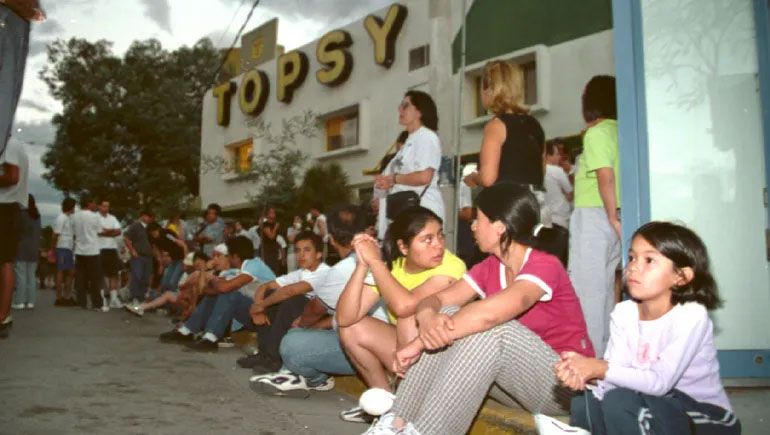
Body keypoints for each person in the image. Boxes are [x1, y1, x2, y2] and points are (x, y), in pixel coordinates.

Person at [366, 183, 593, 435]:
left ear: (499, 227)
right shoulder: (489, 266)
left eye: (478, 219)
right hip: (513, 385)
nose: (472, 226)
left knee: (494, 330)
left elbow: (489, 315)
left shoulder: (544, 265)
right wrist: (428, 317)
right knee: (450, 315)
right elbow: (435, 301)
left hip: (563, 386)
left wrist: (419, 343)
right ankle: (396, 423)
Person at [556, 222, 740, 434]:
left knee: (621, 402)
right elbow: (615, 377)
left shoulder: (691, 315)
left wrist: (599, 368)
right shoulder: (624, 313)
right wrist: (583, 376)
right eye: (632, 257)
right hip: (655, 405)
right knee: (585, 401)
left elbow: (660, 382)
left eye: (649, 260)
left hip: (704, 416)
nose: (633, 266)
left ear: (681, 276)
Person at [335, 206, 466, 422]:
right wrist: (363, 265)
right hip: (409, 353)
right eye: (427, 239)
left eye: (440, 236)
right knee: (351, 329)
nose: (439, 245)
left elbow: (404, 307)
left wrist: (376, 263)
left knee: (410, 315)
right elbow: (344, 318)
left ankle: (405, 413)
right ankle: (387, 409)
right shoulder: (394, 266)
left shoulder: (452, 265)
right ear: (403, 247)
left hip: (447, 358)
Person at [252, 205, 388, 398]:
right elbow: (346, 315)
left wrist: (302, 326)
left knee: (293, 341)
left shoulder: (342, 268)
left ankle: (307, 377)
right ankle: (288, 370)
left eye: (306, 250)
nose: (301, 255)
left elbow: (313, 310)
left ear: (330, 240)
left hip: (369, 347)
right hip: (387, 340)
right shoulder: (380, 254)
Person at [569, 75, 621, 357]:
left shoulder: (596, 133)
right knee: (606, 292)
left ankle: (587, 358)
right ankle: (605, 355)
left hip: (594, 215)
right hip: (613, 216)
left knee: (588, 291)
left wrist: (611, 215)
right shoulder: (619, 131)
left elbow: (605, 175)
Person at [462, 60, 549, 225]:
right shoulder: (535, 125)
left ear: (490, 90)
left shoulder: (496, 126)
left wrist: (475, 177)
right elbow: (541, 171)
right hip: (537, 204)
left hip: (510, 206)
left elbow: (488, 178)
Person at [0, 0, 40, 338]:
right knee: (7, 263)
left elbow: (9, 176)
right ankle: (4, 315)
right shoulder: (19, 146)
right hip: (13, 207)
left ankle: (2, 315)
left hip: (4, 206)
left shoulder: (8, 144)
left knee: (4, 264)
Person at [158, 236, 276, 350]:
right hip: (254, 313)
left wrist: (214, 279)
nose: (229, 258)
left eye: (228, 255)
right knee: (219, 294)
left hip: (266, 317)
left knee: (230, 294)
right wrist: (209, 274)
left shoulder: (254, 265)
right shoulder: (240, 270)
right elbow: (206, 291)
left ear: (235, 256)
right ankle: (188, 331)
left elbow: (224, 288)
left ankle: (211, 337)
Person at [373, 91, 445, 239]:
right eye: (400, 106)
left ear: (419, 111)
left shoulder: (426, 137)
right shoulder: (409, 142)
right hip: (405, 215)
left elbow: (425, 177)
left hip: (422, 213)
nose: (400, 110)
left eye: (405, 106)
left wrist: (393, 179)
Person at [125, 251, 209, 317]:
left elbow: (183, 287)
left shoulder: (197, 273)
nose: (185, 266)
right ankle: (142, 306)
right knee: (157, 294)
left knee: (167, 295)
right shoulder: (187, 273)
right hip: (182, 296)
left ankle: (142, 307)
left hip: (190, 301)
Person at [71, 194, 105, 311]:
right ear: (89, 203)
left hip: (79, 249)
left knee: (80, 278)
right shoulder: (95, 217)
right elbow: (99, 231)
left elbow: (73, 231)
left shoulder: (74, 216)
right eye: (94, 203)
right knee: (95, 279)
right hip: (92, 250)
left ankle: (81, 302)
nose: (95, 205)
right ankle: (97, 304)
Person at [12, 194, 40, 309]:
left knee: (21, 276)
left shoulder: (21, 214)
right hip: (34, 248)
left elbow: (16, 231)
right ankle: (30, 301)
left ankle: (20, 301)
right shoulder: (37, 215)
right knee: (31, 276)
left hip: (21, 247)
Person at [124, 210, 154, 306]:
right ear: (142, 216)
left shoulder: (151, 228)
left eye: (150, 216)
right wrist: (132, 250)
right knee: (137, 276)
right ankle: (134, 297)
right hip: (138, 255)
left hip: (149, 256)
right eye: (146, 216)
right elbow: (126, 238)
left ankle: (141, 297)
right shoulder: (135, 226)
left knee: (145, 277)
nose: (148, 218)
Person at [147, 222, 187, 296]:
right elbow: (156, 250)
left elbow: (183, 245)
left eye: (154, 232)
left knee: (172, 282)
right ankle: (163, 299)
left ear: (158, 229)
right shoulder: (153, 238)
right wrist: (160, 263)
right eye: (151, 234)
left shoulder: (167, 234)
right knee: (165, 282)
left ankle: (172, 299)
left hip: (181, 259)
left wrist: (186, 261)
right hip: (173, 259)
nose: (154, 235)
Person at [97, 200, 123, 308]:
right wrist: (111, 232)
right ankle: (102, 298)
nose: (106, 208)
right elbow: (97, 232)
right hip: (100, 249)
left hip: (112, 248)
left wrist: (106, 232)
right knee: (101, 274)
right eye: (104, 206)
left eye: (108, 206)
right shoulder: (95, 218)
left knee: (114, 274)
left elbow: (118, 231)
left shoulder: (112, 218)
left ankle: (113, 299)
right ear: (99, 206)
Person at [52, 197, 77, 306]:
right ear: (70, 207)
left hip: (69, 248)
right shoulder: (61, 218)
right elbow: (55, 234)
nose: (74, 209)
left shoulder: (70, 218)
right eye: (73, 206)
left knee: (71, 272)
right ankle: (59, 297)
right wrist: (53, 249)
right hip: (61, 247)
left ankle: (67, 296)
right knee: (61, 271)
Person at [544, 140, 573, 230]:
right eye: (557, 154)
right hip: (562, 216)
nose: (559, 156)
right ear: (548, 156)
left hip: (545, 217)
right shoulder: (557, 171)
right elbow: (570, 195)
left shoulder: (535, 172)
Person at [260, 207, 281, 275]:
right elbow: (271, 236)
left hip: (274, 248)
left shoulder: (275, 223)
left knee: (275, 267)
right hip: (267, 249)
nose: (273, 214)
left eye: (274, 212)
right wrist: (275, 228)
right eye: (271, 212)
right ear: (268, 214)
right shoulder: (265, 224)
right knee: (269, 267)